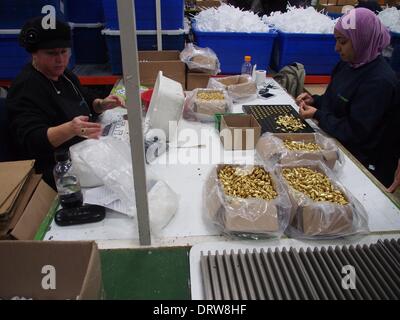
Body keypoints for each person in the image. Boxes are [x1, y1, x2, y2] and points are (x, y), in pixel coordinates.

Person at [6, 17, 125, 189]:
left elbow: (83, 96)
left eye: (64, 52)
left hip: (85, 152)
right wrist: (70, 129)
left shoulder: (64, 75)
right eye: (52, 53)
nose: (60, 59)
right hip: (54, 171)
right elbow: (32, 140)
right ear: (34, 53)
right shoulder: (25, 88)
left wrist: (100, 103)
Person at [296, 8, 400, 191]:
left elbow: (355, 132)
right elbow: (337, 101)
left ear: (362, 40)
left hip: (362, 165)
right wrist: (316, 101)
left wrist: (318, 115)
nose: (336, 48)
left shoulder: (379, 82)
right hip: (335, 144)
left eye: (343, 42)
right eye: (336, 41)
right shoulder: (349, 63)